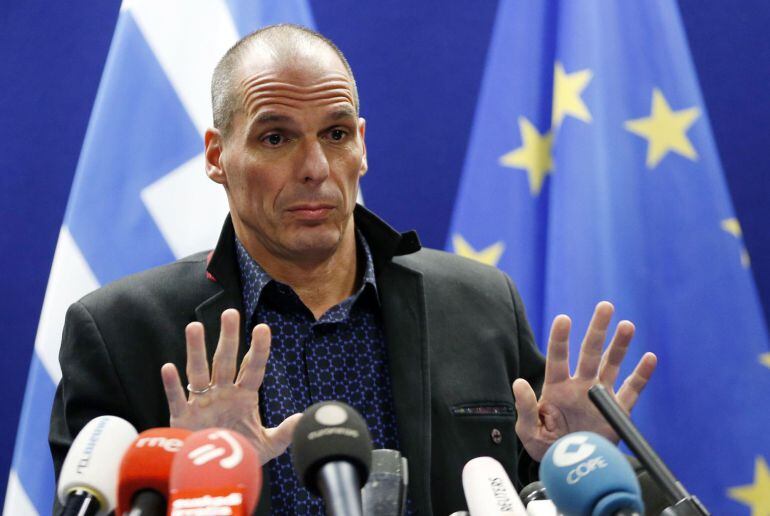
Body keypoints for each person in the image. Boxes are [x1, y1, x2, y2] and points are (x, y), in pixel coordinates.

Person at [50, 24, 657, 514]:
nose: (315, 166)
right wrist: (194, 489)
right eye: (276, 138)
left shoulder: (478, 303)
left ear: (361, 144)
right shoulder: (120, 333)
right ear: (217, 156)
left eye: (336, 133)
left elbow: (523, 494)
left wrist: (576, 463)